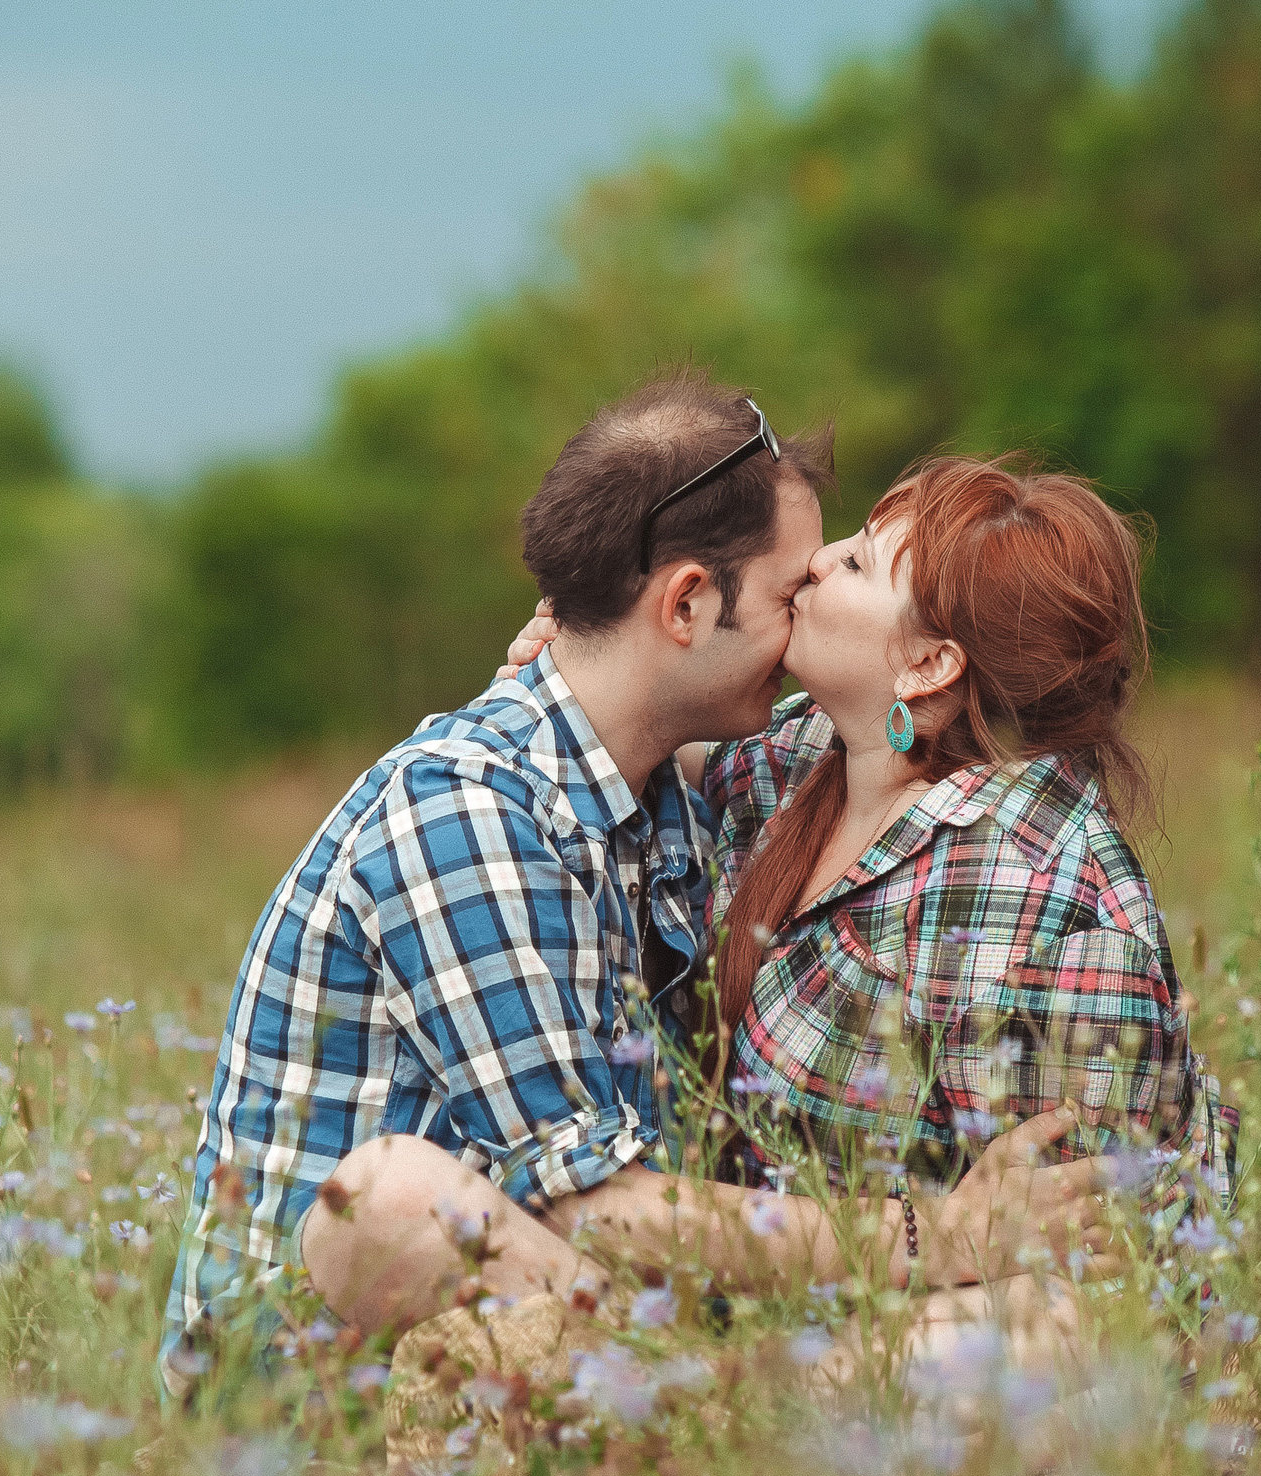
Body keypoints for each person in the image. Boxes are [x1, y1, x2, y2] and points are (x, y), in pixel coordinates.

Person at [161, 374, 1110, 1395]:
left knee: (1063, 1326)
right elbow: (591, 1206)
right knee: (389, 1197)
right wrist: (936, 1236)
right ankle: (733, 1413)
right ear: (686, 604)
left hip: (586, 1326)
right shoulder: (468, 816)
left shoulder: (668, 783)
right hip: (323, 1388)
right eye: (789, 595)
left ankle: (732, 1403)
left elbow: (919, 743)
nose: (804, 619)